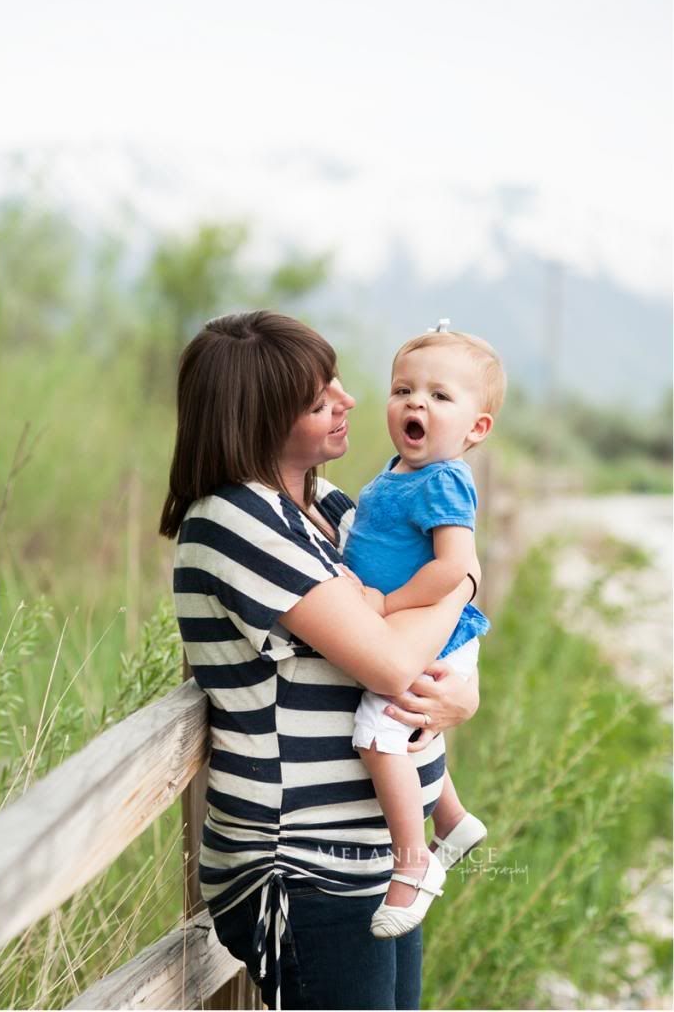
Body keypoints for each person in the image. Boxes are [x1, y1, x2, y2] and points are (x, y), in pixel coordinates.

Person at [159, 310, 480, 1011]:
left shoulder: (326, 506)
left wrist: (459, 696)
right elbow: (393, 663)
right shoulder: (236, 521)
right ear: (259, 420)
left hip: (368, 852)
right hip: (302, 865)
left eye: (334, 381)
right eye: (316, 399)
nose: (350, 400)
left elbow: (424, 610)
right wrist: (461, 582)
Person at [342, 321, 507, 939]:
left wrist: (385, 606)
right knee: (412, 729)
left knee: (378, 730)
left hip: (431, 630)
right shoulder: (396, 472)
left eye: (440, 396)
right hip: (423, 628)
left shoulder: (445, 479)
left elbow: (453, 567)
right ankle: (455, 820)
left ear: (476, 429)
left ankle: (414, 865)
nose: (417, 403)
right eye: (404, 389)